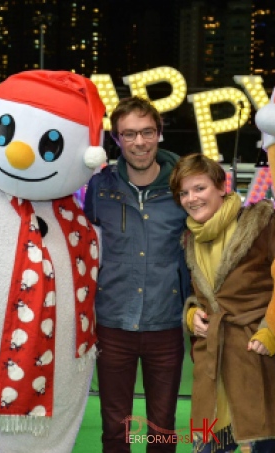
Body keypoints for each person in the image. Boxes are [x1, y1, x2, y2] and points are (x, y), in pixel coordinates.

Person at [83, 96, 190, 453]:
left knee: (162, 427)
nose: (139, 142)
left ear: (159, 134)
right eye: (129, 134)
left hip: (166, 325)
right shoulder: (100, 187)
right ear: (116, 140)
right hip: (113, 325)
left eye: (146, 132)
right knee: (115, 428)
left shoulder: (183, 188)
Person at [169, 153, 275, 453]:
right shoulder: (190, 238)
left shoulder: (264, 224)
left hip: (257, 361)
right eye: (183, 193)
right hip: (212, 364)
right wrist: (192, 314)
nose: (191, 199)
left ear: (222, 186)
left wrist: (271, 330)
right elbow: (198, 294)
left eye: (199, 188)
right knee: (211, 447)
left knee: (267, 446)